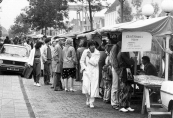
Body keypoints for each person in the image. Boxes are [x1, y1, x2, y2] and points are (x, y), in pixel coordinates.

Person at [80, 40, 100, 108]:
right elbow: (81, 61)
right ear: (89, 46)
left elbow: (95, 63)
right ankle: (88, 98)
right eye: (91, 45)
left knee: (93, 87)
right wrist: (84, 68)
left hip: (94, 71)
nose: (93, 46)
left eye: (94, 45)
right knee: (86, 86)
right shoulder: (85, 51)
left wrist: (90, 56)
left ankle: (91, 102)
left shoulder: (97, 53)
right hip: (87, 71)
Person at [109, 39, 121, 110]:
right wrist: (117, 70)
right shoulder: (115, 47)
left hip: (117, 68)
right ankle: (114, 102)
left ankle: (116, 101)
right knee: (115, 85)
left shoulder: (118, 46)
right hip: (116, 68)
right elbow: (114, 60)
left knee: (117, 86)